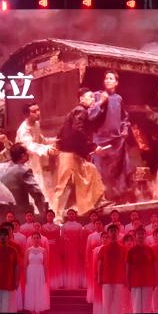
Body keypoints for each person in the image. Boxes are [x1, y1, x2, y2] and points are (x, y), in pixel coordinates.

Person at [53, 87, 107, 220]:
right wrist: (93, 146)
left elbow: (66, 132)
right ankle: (55, 217)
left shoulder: (79, 112)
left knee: (91, 170)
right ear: (81, 99)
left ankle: (97, 202)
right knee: (64, 185)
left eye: (93, 97)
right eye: (90, 97)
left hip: (74, 153)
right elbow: (78, 130)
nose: (93, 99)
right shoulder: (80, 111)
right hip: (69, 153)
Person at [90, 71, 133, 202]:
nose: (108, 80)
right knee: (99, 171)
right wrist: (101, 102)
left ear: (116, 82)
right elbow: (90, 115)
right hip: (100, 140)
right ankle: (101, 199)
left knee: (116, 171)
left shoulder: (119, 99)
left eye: (111, 78)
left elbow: (124, 117)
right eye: (106, 78)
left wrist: (124, 128)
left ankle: (118, 198)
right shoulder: (97, 95)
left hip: (115, 141)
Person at [16, 103, 59, 202]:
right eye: (34, 111)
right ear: (26, 114)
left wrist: (55, 140)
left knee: (46, 187)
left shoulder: (36, 124)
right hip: (27, 163)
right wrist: (47, 149)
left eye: (38, 110)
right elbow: (30, 145)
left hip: (37, 161)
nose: (38, 113)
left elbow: (41, 140)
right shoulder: (24, 130)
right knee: (36, 189)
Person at [0, 144, 49, 215]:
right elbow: (37, 194)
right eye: (27, 151)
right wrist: (43, 214)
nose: (29, 152)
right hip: (18, 213)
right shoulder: (23, 171)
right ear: (23, 155)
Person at [97, 224, 128, 314]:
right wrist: (99, 277)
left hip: (119, 278)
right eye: (111, 231)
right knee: (107, 302)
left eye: (115, 231)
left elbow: (126, 265)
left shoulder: (123, 249)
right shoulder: (103, 249)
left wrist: (126, 278)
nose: (113, 233)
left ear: (118, 233)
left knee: (118, 302)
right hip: (106, 279)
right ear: (108, 233)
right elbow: (100, 264)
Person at [0, 227, 19, 312]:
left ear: (8, 237)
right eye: (0, 235)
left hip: (8, 281)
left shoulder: (13, 251)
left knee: (6, 305)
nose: (2, 237)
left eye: (5, 235)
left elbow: (16, 267)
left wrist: (16, 281)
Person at [126, 230, 155, 314]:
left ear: (145, 236)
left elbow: (153, 267)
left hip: (148, 282)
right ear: (135, 236)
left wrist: (154, 281)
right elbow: (128, 268)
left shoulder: (150, 250)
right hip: (135, 282)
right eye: (139, 234)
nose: (141, 236)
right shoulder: (131, 251)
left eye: (142, 234)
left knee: (147, 307)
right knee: (136, 306)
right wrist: (128, 282)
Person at [23, 232, 50, 314]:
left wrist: (45, 277)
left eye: (37, 238)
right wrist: (25, 277)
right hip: (30, 272)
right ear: (31, 239)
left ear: (40, 239)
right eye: (34, 238)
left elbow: (45, 265)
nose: (36, 240)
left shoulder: (43, 250)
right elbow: (25, 265)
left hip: (40, 272)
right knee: (31, 291)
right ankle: (32, 313)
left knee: (39, 291)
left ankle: (38, 313)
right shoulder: (28, 251)